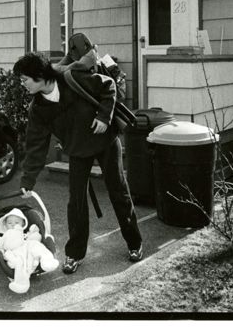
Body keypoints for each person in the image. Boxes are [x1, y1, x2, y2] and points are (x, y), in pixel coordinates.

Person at [13, 51, 143, 274]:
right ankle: (74, 254)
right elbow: (36, 147)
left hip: (105, 142)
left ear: (39, 75)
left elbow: (108, 86)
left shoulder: (71, 78)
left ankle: (135, 243)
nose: (23, 84)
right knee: (76, 202)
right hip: (77, 150)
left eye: (24, 79)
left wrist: (104, 116)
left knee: (118, 193)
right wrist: (28, 180)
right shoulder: (38, 109)